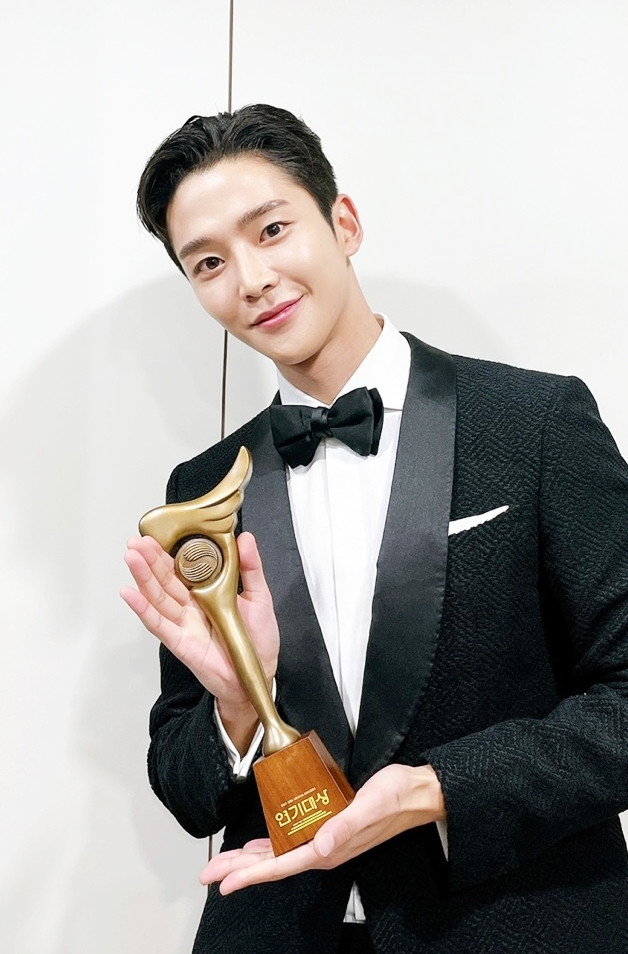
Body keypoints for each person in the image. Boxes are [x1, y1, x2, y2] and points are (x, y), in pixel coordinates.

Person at [121, 105, 628, 954]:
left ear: (344, 223)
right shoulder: (200, 493)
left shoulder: (535, 424)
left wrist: (439, 789)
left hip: (512, 924)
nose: (251, 278)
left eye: (272, 229)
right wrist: (237, 704)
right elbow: (185, 787)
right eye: (208, 262)